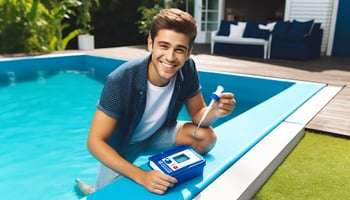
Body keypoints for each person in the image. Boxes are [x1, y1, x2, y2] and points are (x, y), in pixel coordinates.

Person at [80, 8, 236, 195]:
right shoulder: (120, 80)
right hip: (124, 144)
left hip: (158, 134)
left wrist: (215, 111)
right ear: (150, 44)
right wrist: (142, 176)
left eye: (179, 49)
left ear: (188, 53)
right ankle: (91, 190)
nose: (170, 57)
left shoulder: (187, 68)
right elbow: (95, 142)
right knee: (104, 195)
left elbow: (197, 114)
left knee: (206, 138)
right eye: (164, 46)